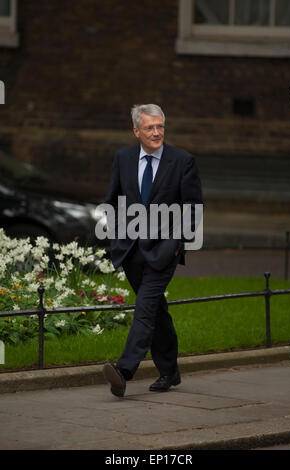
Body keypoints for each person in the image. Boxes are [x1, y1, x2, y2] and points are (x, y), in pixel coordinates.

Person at [103, 104, 203, 397]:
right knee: (156, 311)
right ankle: (170, 371)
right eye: (150, 127)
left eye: (160, 126)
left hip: (164, 251)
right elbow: (113, 201)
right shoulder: (122, 158)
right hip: (131, 250)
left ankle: (123, 371)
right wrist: (116, 238)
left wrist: (177, 246)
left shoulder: (182, 160)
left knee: (145, 308)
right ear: (137, 131)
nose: (157, 132)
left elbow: (193, 208)